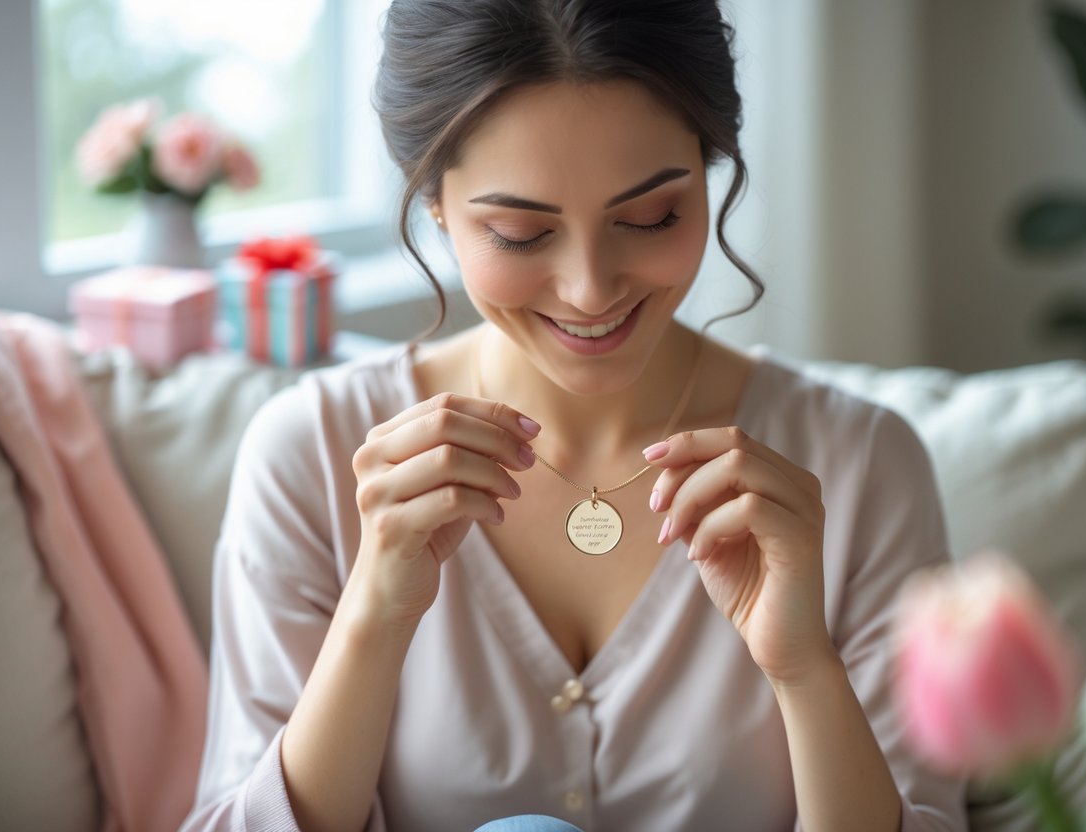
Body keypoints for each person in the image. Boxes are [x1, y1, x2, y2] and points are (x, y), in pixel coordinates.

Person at [182, 1, 967, 830]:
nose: (591, 290)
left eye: (650, 217)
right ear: (436, 204)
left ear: (706, 173)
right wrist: (373, 617)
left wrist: (805, 670)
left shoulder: (860, 464)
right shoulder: (311, 453)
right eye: (520, 233)